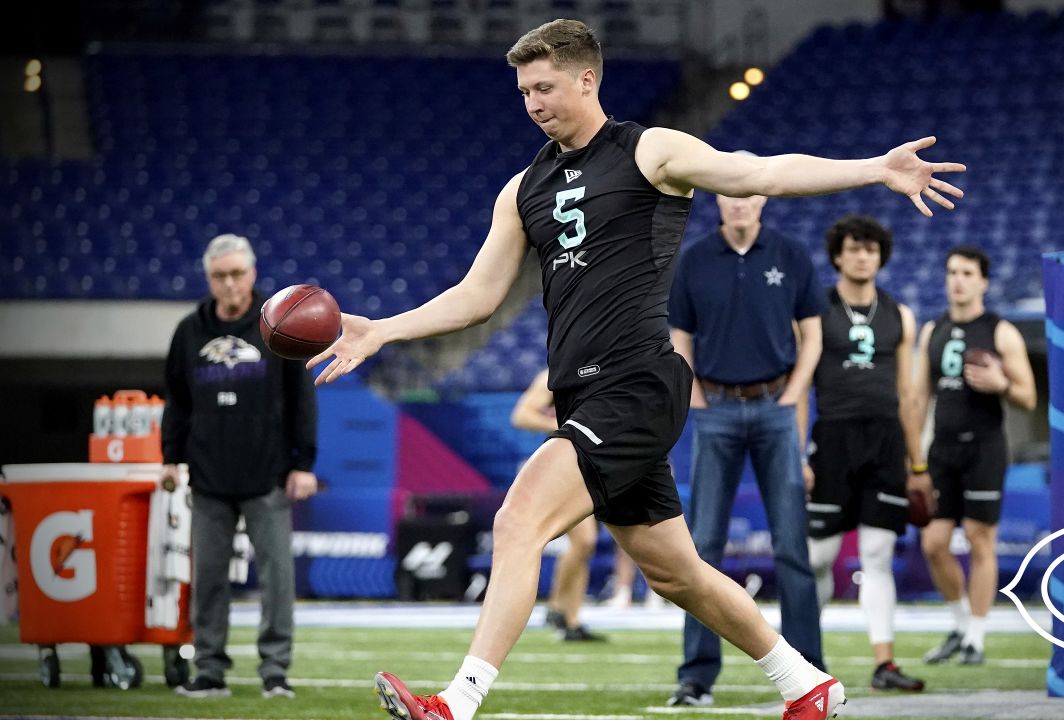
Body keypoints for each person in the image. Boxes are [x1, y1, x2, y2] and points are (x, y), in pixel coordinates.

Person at [308, 19, 964, 720]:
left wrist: (874, 168)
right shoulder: (522, 188)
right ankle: (808, 685)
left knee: (519, 518)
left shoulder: (649, 150)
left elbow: (758, 171)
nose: (532, 102)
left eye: (545, 86)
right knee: (676, 573)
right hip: (581, 394)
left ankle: (456, 703)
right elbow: (477, 296)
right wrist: (382, 329)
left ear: (587, 79)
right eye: (525, 90)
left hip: (639, 383)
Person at [665, 173, 826, 707]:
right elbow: (679, 335)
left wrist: (791, 396)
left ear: (762, 196)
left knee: (791, 547)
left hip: (775, 407)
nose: (738, 202)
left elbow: (814, 336)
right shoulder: (693, 259)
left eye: (747, 193)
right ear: (716, 199)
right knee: (701, 548)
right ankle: (696, 676)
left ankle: (809, 672)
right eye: (728, 194)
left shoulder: (791, 254)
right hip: (714, 410)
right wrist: (693, 397)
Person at [161, 233, 319, 699]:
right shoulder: (189, 331)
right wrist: (170, 457)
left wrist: (302, 463)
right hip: (207, 477)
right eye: (219, 276)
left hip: (266, 475)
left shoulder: (279, 326)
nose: (229, 284)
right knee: (207, 579)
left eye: (236, 274)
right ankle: (208, 670)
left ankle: (275, 672)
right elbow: (177, 399)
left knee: (276, 579)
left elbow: (301, 398)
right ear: (209, 279)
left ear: (252, 275)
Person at [804, 215, 927, 692]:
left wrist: (917, 464)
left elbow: (909, 396)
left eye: (871, 250)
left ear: (881, 257)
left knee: (877, 553)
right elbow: (799, 387)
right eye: (854, 248)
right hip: (832, 438)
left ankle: (884, 664)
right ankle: (805, 659)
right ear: (838, 255)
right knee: (820, 556)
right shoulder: (816, 311)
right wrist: (798, 454)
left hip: (885, 441)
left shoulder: (902, 314)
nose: (862, 256)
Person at [915, 245, 1035, 666]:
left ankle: (977, 639)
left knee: (982, 540)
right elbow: (917, 398)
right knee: (933, 543)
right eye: (951, 272)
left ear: (983, 281)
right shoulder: (933, 330)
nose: (957, 280)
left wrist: (1001, 382)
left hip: (984, 446)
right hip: (942, 449)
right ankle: (961, 623)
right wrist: (915, 457)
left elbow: (1028, 398)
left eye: (966, 272)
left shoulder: (1001, 331)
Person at [510, 368, 604, 642]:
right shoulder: (555, 374)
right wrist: (568, 429)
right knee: (584, 541)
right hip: (563, 462)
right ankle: (556, 608)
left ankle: (570, 618)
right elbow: (521, 415)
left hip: (595, 461)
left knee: (584, 546)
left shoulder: (605, 369)